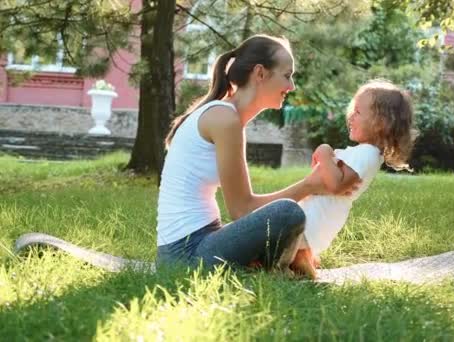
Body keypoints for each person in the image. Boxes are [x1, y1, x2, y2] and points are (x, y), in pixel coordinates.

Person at [156, 34, 358, 272]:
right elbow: (241, 210)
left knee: (284, 214)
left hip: (199, 243)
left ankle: (277, 265)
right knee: (288, 212)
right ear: (260, 73)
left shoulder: (225, 116)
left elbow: (243, 211)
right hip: (185, 255)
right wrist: (308, 186)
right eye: (287, 75)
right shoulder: (224, 118)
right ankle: (281, 269)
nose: (291, 86)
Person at [289, 80, 417, 279]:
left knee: (290, 244)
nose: (350, 117)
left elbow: (337, 185)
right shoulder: (365, 153)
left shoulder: (367, 153)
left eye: (357, 112)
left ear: (380, 123)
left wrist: (324, 152)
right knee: (289, 242)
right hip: (322, 212)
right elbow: (326, 178)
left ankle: (303, 261)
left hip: (320, 215)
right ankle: (304, 256)